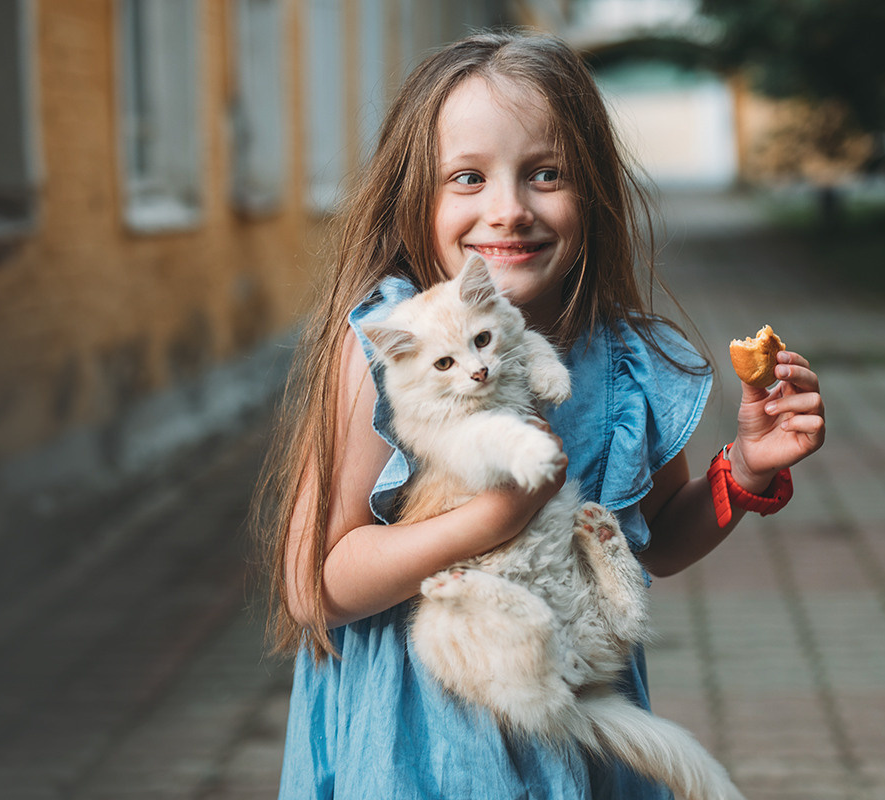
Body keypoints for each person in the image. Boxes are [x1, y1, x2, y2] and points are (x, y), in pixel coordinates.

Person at [256, 30, 825, 799]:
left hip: (575, 730)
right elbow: (313, 586)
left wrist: (747, 468)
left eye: (545, 173)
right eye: (467, 177)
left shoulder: (625, 360)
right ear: (414, 197)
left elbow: (654, 539)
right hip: (414, 746)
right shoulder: (389, 353)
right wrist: (495, 517)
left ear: (590, 189)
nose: (508, 210)